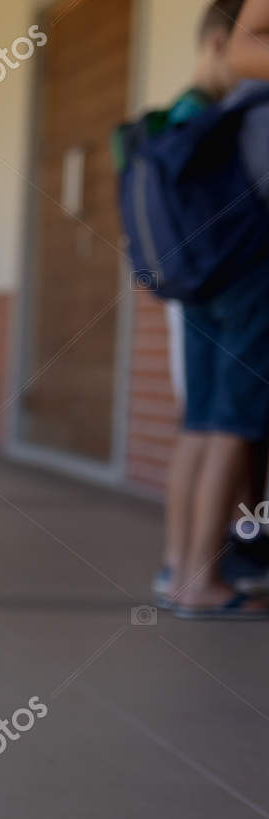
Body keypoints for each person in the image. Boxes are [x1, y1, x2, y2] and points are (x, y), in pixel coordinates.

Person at [160, 0, 269, 617]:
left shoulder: (190, 113)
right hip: (246, 283)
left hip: (197, 285)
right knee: (233, 427)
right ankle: (201, 582)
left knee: (197, 426)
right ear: (225, 44)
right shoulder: (247, 108)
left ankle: (178, 571)